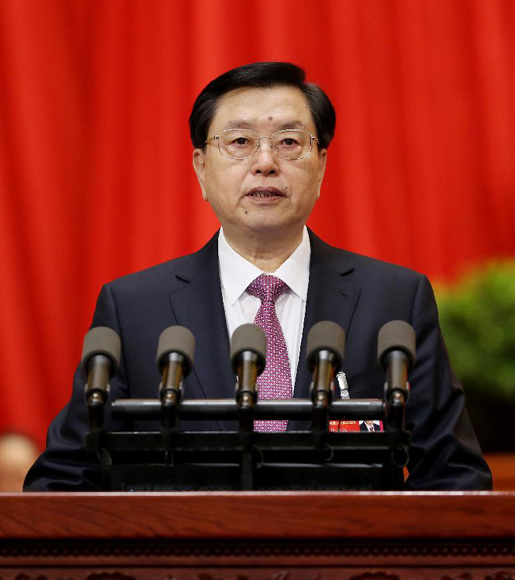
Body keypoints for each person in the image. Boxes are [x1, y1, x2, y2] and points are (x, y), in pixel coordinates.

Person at [24, 62, 492, 491]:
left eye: (289, 142)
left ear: (321, 165)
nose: (265, 162)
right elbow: (62, 481)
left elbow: (456, 477)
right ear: (201, 168)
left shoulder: (394, 300)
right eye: (240, 142)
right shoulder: (134, 309)